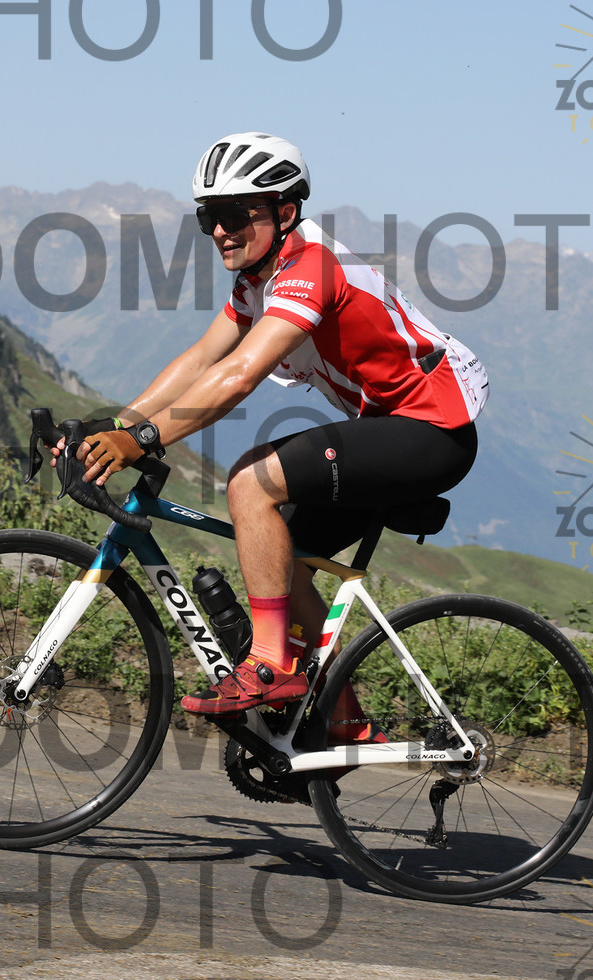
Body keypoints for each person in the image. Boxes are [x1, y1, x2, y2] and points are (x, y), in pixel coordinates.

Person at [69, 132, 487, 717]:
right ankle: (345, 724)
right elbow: (201, 359)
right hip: (390, 426)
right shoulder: (258, 278)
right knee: (280, 558)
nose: (220, 231)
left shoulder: (312, 267)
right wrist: (116, 423)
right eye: (209, 217)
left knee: (253, 481)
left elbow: (239, 374)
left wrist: (142, 439)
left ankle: (270, 663)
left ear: (285, 213)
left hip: (432, 431)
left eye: (236, 215)